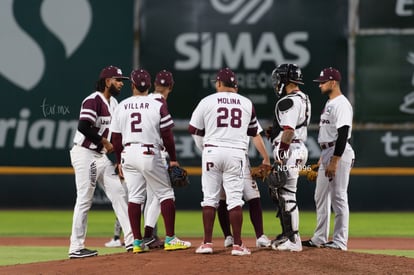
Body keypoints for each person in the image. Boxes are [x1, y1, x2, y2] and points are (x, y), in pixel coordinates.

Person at [110, 68, 191, 253]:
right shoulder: (156, 104)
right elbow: (167, 135)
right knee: (166, 194)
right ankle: (170, 239)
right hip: (149, 152)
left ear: (132, 85)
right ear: (149, 86)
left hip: (128, 153)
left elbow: (115, 137)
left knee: (136, 198)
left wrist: (119, 161)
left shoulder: (122, 105)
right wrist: (174, 160)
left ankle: (137, 243)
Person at [189, 67, 263, 256]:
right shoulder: (246, 103)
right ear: (234, 85)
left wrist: (204, 148)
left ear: (219, 83)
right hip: (236, 153)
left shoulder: (207, 101)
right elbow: (254, 132)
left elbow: (194, 130)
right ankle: (238, 245)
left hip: (212, 151)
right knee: (234, 200)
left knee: (210, 199)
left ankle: (207, 243)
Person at [68, 65, 134, 259]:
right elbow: (83, 126)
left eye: (122, 81)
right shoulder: (93, 100)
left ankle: (131, 240)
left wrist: (119, 161)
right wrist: (103, 141)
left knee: (119, 193)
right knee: (85, 198)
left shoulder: (114, 103)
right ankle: (76, 247)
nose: (121, 84)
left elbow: (116, 137)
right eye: (118, 80)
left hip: (100, 156)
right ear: (107, 81)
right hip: (85, 154)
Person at [302, 67, 355, 251]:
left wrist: (334, 160)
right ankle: (319, 238)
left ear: (333, 82)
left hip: (337, 153)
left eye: (323, 82)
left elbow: (343, 133)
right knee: (320, 196)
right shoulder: (330, 103)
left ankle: (340, 241)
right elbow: (328, 133)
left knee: (339, 197)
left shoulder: (341, 103)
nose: (320, 85)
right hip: (327, 153)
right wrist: (322, 160)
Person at [267, 63, 311, 252]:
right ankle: (288, 235)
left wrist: (281, 155)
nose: (277, 82)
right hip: (297, 148)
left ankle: (294, 240)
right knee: (280, 193)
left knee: (287, 195)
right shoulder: (303, 98)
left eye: (279, 78)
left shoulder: (288, 101)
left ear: (285, 80)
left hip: (290, 150)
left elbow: (289, 130)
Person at [217, 127, 272, 248]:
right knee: (223, 198)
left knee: (253, 196)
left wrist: (266, 157)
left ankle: (260, 236)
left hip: (237, 157)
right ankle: (228, 236)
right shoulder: (244, 107)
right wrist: (266, 158)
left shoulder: (245, 108)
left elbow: (255, 134)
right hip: (225, 156)